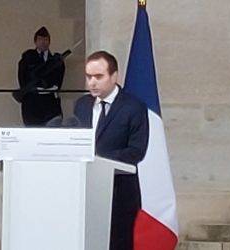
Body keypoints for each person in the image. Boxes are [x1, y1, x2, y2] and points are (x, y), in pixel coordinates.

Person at [74, 51, 149, 250]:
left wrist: (99, 159)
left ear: (114, 76)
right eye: (89, 77)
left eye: (98, 77)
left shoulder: (134, 107)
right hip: (87, 191)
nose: (92, 83)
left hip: (120, 193)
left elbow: (136, 151)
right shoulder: (81, 106)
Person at [17, 26, 65, 126]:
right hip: (32, 101)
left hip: (50, 102)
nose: (43, 42)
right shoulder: (27, 58)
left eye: (45, 39)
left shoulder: (55, 61)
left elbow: (58, 81)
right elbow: (22, 78)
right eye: (40, 39)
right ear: (35, 41)